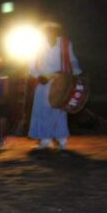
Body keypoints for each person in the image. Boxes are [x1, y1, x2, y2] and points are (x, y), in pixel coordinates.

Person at [28, 22, 81, 150]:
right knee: (42, 111)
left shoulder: (65, 44)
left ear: (57, 31)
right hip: (43, 81)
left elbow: (72, 60)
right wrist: (38, 76)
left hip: (61, 82)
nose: (50, 32)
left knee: (59, 111)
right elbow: (31, 63)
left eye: (52, 30)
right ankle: (45, 140)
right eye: (47, 30)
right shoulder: (37, 44)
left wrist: (76, 74)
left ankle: (62, 140)